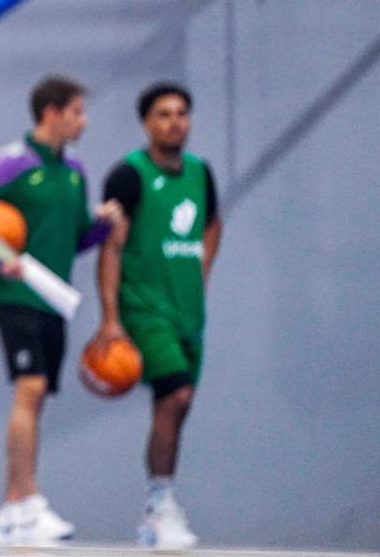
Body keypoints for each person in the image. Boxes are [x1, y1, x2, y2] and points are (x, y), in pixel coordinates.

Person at [0, 76, 121, 546]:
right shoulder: (13, 163)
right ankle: (22, 502)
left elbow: (76, 239)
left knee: (38, 396)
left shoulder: (75, 172)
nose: (83, 121)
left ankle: (17, 511)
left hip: (53, 297)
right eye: (78, 112)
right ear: (52, 113)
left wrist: (102, 228)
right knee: (31, 386)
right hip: (15, 296)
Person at [91, 82, 222, 548]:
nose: (175, 122)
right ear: (147, 123)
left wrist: (199, 273)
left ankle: (157, 509)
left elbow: (212, 225)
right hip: (144, 310)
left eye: (182, 113)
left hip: (188, 312)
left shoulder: (201, 174)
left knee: (177, 407)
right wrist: (111, 318)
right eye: (164, 114)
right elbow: (110, 248)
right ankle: (160, 502)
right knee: (176, 396)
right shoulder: (128, 175)